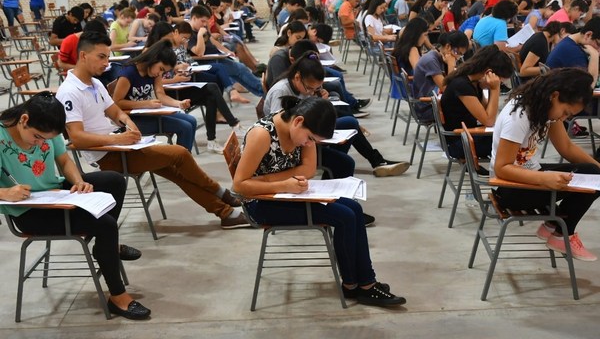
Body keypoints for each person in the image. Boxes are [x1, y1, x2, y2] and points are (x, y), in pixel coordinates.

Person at [55, 31, 249, 229]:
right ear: (83, 56)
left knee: (177, 171)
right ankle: (222, 194)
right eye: (102, 57)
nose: (107, 63)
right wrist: (119, 140)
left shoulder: (95, 83)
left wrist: (129, 126)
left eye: (107, 56)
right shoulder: (70, 92)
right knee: (180, 153)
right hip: (107, 156)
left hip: (120, 145)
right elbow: (76, 138)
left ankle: (227, 214)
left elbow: (115, 112)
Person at [233, 96, 406, 307]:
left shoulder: (302, 127)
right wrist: (283, 184)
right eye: (310, 139)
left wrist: (269, 179)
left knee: (354, 208)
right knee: (344, 216)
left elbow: (308, 170)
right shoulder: (262, 135)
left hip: (287, 194)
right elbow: (240, 185)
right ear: (298, 121)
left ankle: (363, 283)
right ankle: (356, 285)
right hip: (261, 204)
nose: (309, 144)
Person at [0, 93, 150, 320]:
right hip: (28, 210)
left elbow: (64, 160)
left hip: (54, 192)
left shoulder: (46, 127)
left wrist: (78, 181)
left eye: (46, 140)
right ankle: (117, 297)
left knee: (114, 181)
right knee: (106, 225)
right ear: (23, 120)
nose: (41, 143)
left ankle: (105, 247)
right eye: (38, 137)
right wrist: (5, 193)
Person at [491, 68, 600, 261]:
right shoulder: (520, 115)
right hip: (510, 189)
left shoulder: (544, 107)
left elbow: (566, 147)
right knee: (592, 177)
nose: (563, 119)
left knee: (593, 174)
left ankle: (555, 227)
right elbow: (502, 168)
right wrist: (543, 178)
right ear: (555, 95)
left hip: (529, 177)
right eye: (565, 112)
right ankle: (561, 232)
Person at [264, 50, 410, 178]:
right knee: (344, 160)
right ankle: (342, 169)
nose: (310, 92)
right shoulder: (281, 92)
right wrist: (313, 138)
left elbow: (307, 115)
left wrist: (318, 101)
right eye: (309, 88)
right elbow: (280, 130)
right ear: (297, 77)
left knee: (350, 123)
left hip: (307, 135)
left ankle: (374, 161)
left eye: (315, 88)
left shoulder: (302, 89)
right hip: (296, 144)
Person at [143, 21, 247, 153]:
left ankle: (212, 141)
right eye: (167, 38)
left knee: (211, 95)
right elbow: (155, 83)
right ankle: (233, 124)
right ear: (159, 37)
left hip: (180, 85)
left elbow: (169, 71)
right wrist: (174, 78)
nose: (170, 41)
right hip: (171, 92)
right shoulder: (150, 52)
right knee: (212, 87)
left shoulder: (166, 49)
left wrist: (180, 71)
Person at [110, 40, 198, 152]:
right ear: (153, 59)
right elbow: (117, 103)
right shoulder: (128, 74)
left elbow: (160, 94)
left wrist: (178, 103)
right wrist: (145, 104)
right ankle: (180, 164)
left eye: (164, 71)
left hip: (148, 114)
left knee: (191, 120)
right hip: (131, 120)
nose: (160, 73)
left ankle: (182, 162)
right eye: (161, 69)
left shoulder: (153, 72)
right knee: (185, 127)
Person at [440, 45, 513, 161]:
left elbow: (485, 112)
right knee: (511, 141)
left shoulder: (473, 82)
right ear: (489, 72)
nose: (499, 83)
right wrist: (495, 89)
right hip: (459, 142)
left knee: (509, 134)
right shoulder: (462, 85)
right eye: (500, 81)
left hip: (466, 136)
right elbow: (489, 121)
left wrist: (490, 88)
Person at [412, 31, 469, 122]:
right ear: (448, 46)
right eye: (458, 52)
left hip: (436, 101)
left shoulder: (440, 57)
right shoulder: (431, 60)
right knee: (467, 110)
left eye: (461, 55)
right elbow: (447, 89)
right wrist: (451, 65)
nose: (458, 57)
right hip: (427, 107)